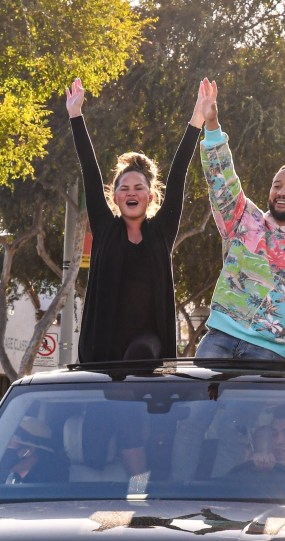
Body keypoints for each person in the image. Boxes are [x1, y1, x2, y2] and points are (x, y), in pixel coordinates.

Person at [195, 79, 285, 369]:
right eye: (277, 185)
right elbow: (222, 180)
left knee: (250, 416)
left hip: (270, 352)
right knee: (197, 413)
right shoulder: (245, 219)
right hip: (219, 339)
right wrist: (212, 126)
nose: (282, 192)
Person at [66, 78, 205, 362]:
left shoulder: (161, 232)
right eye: (124, 188)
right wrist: (75, 115)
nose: (131, 193)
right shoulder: (105, 230)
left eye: (138, 188)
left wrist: (197, 119)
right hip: (103, 344)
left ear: (150, 196)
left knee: (141, 353)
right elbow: (90, 172)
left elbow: (178, 173)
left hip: (147, 344)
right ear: (115, 197)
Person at [1, 416, 69, 484]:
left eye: (10, 443)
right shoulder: (7, 465)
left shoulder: (46, 477)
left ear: (29, 450)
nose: (6, 446)